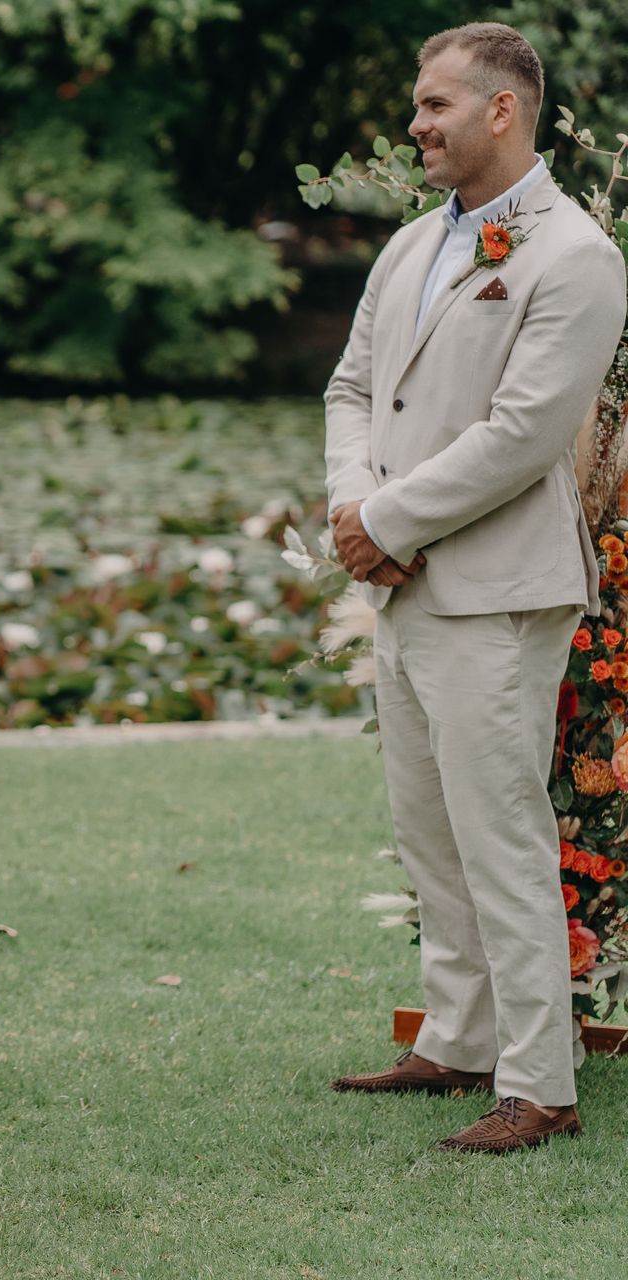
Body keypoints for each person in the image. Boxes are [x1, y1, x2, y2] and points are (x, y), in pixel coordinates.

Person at [324, 23, 626, 1153]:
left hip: (498, 590)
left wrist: (388, 524)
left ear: (504, 110)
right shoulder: (410, 246)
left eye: (436, 105)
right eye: (418, 104)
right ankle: (455, 1036)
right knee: (428, 825)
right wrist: (358, 511)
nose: (417, 124)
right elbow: (351, 387)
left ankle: (541, 1079)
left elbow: (524, 433)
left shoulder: (578, 257)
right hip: (399, 580)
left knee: (500, 828)